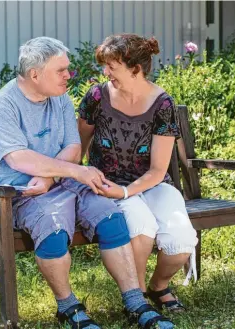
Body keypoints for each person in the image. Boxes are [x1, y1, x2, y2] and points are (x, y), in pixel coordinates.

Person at [0, 37, 174, 329]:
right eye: (61, 70)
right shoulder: (1, 105)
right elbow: (18, 159)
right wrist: (75, 173)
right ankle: (68, 307)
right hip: (16, 195)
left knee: (111, 218)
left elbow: (72, 148)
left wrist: (52, 175)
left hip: (58, 183)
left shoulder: (59, 98)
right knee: (54, 230)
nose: (69, 75)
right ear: (34, 74)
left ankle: (135, 301)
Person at [77, 33, 198, 313]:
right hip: (108, 185)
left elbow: (158, 170)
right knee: (141, 227)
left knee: (181, 238)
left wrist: (127, 191)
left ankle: (158, 286)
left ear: (135, 69)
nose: (105, 72)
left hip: (151, 185)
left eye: (112, 66)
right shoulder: (97, 96)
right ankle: (137, 298)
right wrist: (80, 178)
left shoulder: (162, 104)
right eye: (104, 65)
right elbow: (78, 146)